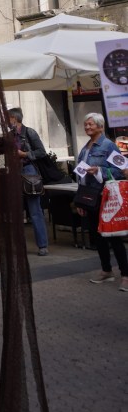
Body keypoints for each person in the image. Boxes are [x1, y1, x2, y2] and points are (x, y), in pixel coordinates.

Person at [75, 112, 128, 288]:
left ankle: (125, 274)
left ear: (100, 126)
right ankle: (106, 270)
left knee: (114, 237)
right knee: (97, 237)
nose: (87, 127)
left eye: (90, 124)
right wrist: (79, 201)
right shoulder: (85, 148)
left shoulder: (108, 146)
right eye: (86, 124)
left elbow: (121, 170)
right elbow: (81, 175)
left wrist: (99, 170)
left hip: (106, 198)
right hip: (89, 198)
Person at [8, 108, 49, 256]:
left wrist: (24, 154)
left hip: (29, 171)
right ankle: (18, 246)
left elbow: (41, 152)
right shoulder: (9, 135)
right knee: (15, 211)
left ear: (14, 118)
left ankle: (42, 245)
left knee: (35, 210)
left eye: (8, 118)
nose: (6, 121)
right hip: (14, 171)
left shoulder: (29, 132)